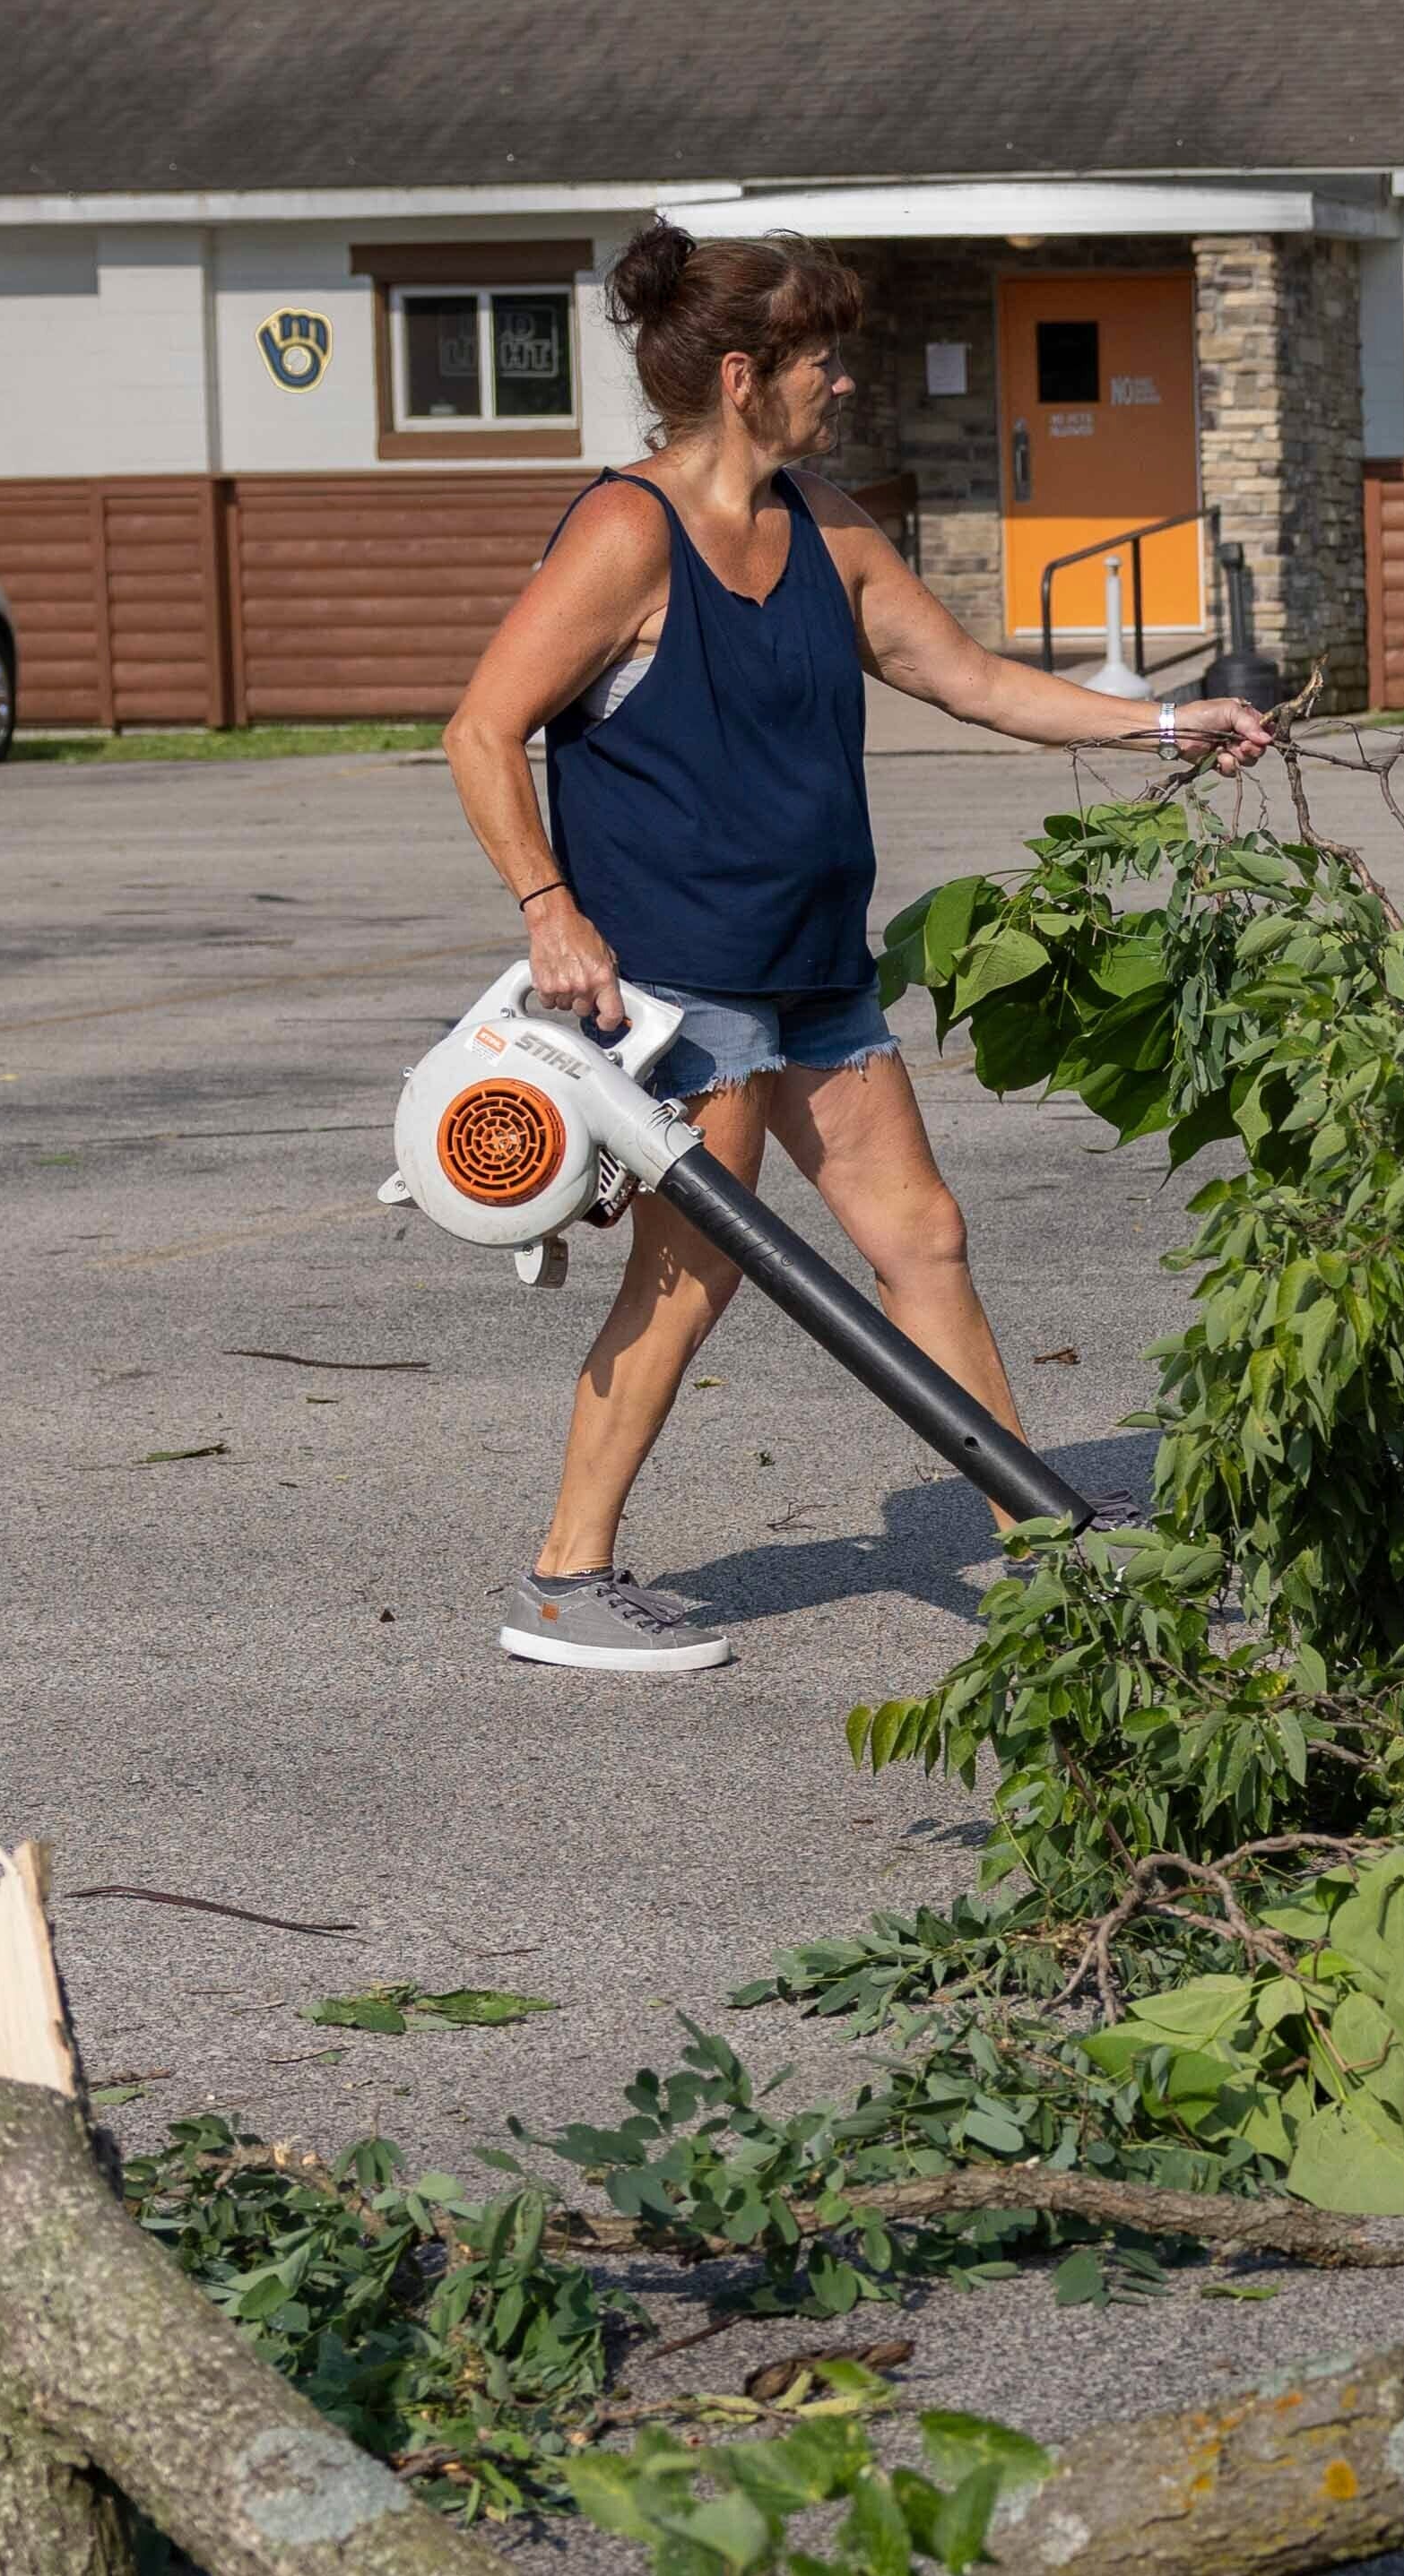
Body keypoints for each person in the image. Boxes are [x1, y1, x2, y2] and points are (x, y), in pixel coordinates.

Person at [441, 222, 1269, 1674]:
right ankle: (565, 1579)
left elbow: (964, 678)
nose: (844, 381)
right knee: (689, 1280)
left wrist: (1161, 723)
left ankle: (1045, 1554)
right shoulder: (627, 532)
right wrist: (547, 906)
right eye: (824, 358)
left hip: (818, 965)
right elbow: (482, 728)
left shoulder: (825, 525)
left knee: (923, 1239)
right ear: (747, 374)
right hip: (681, 991)